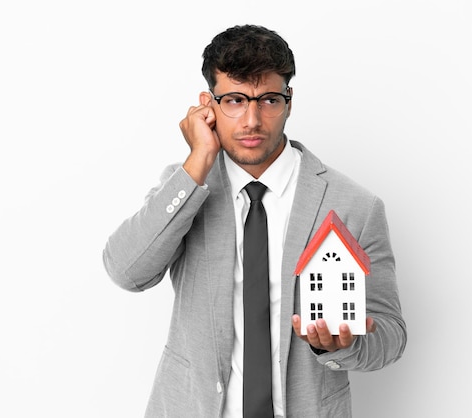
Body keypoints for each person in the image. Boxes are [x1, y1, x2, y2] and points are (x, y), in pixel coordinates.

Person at [103, 24, 406, 418]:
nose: (251, 120)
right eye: (234, 100)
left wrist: (341, 346)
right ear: (207, 105)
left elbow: (391, 336)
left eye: (267, 100)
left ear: (289, 101)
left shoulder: (355, 206)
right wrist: (197, 161)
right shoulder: (185, 188)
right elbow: (126, 271)